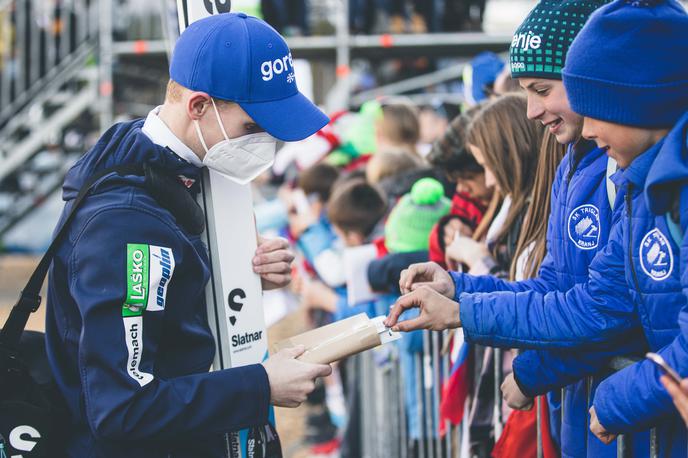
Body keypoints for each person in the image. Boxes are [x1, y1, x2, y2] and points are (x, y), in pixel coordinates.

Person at [386, 0, 688, 454]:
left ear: (630, 99)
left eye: (544, 89)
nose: (530, 111)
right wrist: (461, 291)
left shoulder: (633, 179)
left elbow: (603, 314)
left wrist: (611, 396)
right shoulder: (618, 175)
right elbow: (565, 289)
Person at [45, 13, 333, 457]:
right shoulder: (124, 225)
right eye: (253, 129)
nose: (266, 146)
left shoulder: (167, 166)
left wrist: (235, 268)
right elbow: (122, 408)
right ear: (198, 106)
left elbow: (166, 304)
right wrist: (260, 386)